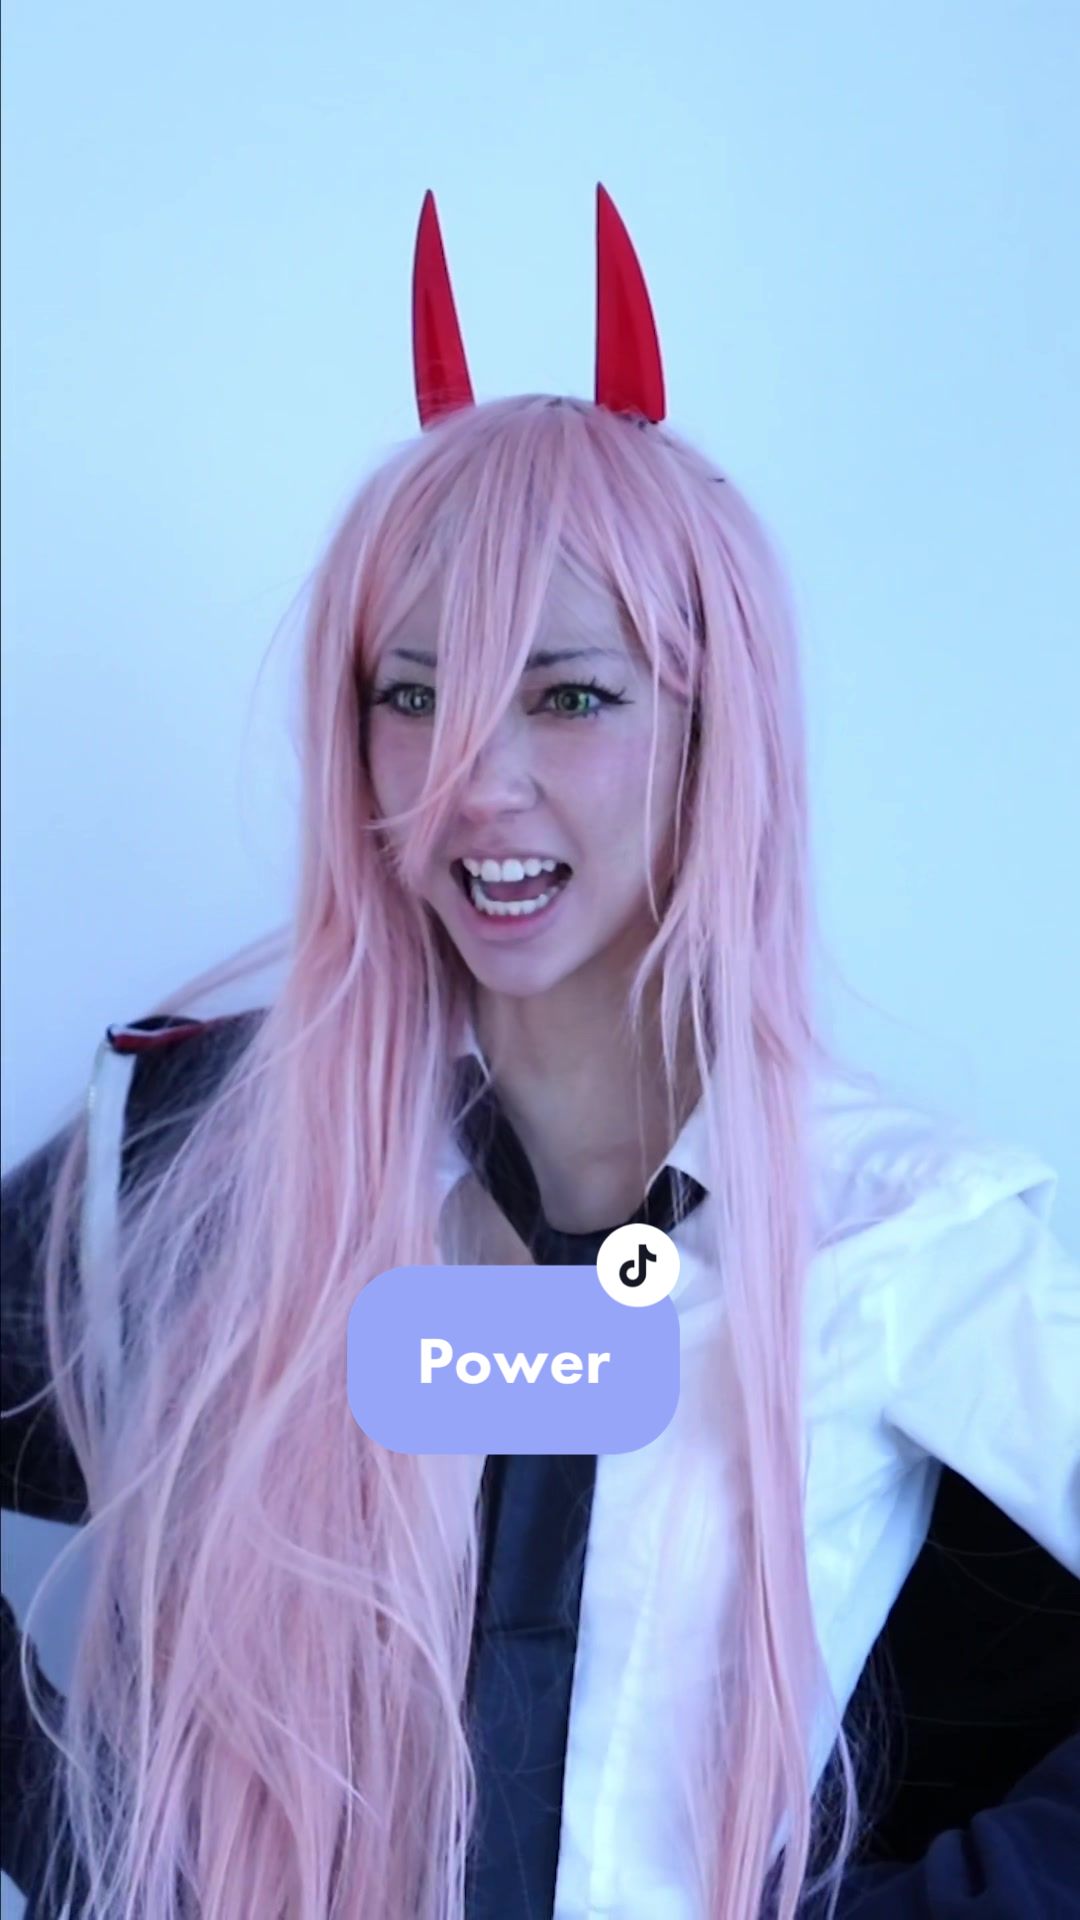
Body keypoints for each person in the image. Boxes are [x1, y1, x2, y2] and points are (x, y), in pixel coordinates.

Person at [2, 186, 1078, 1920]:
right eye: (410, 693)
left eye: (568, 695)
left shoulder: (899, 1232)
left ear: (714, 726)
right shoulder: (211, 1162)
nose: (471, 783)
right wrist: (109, 1846)